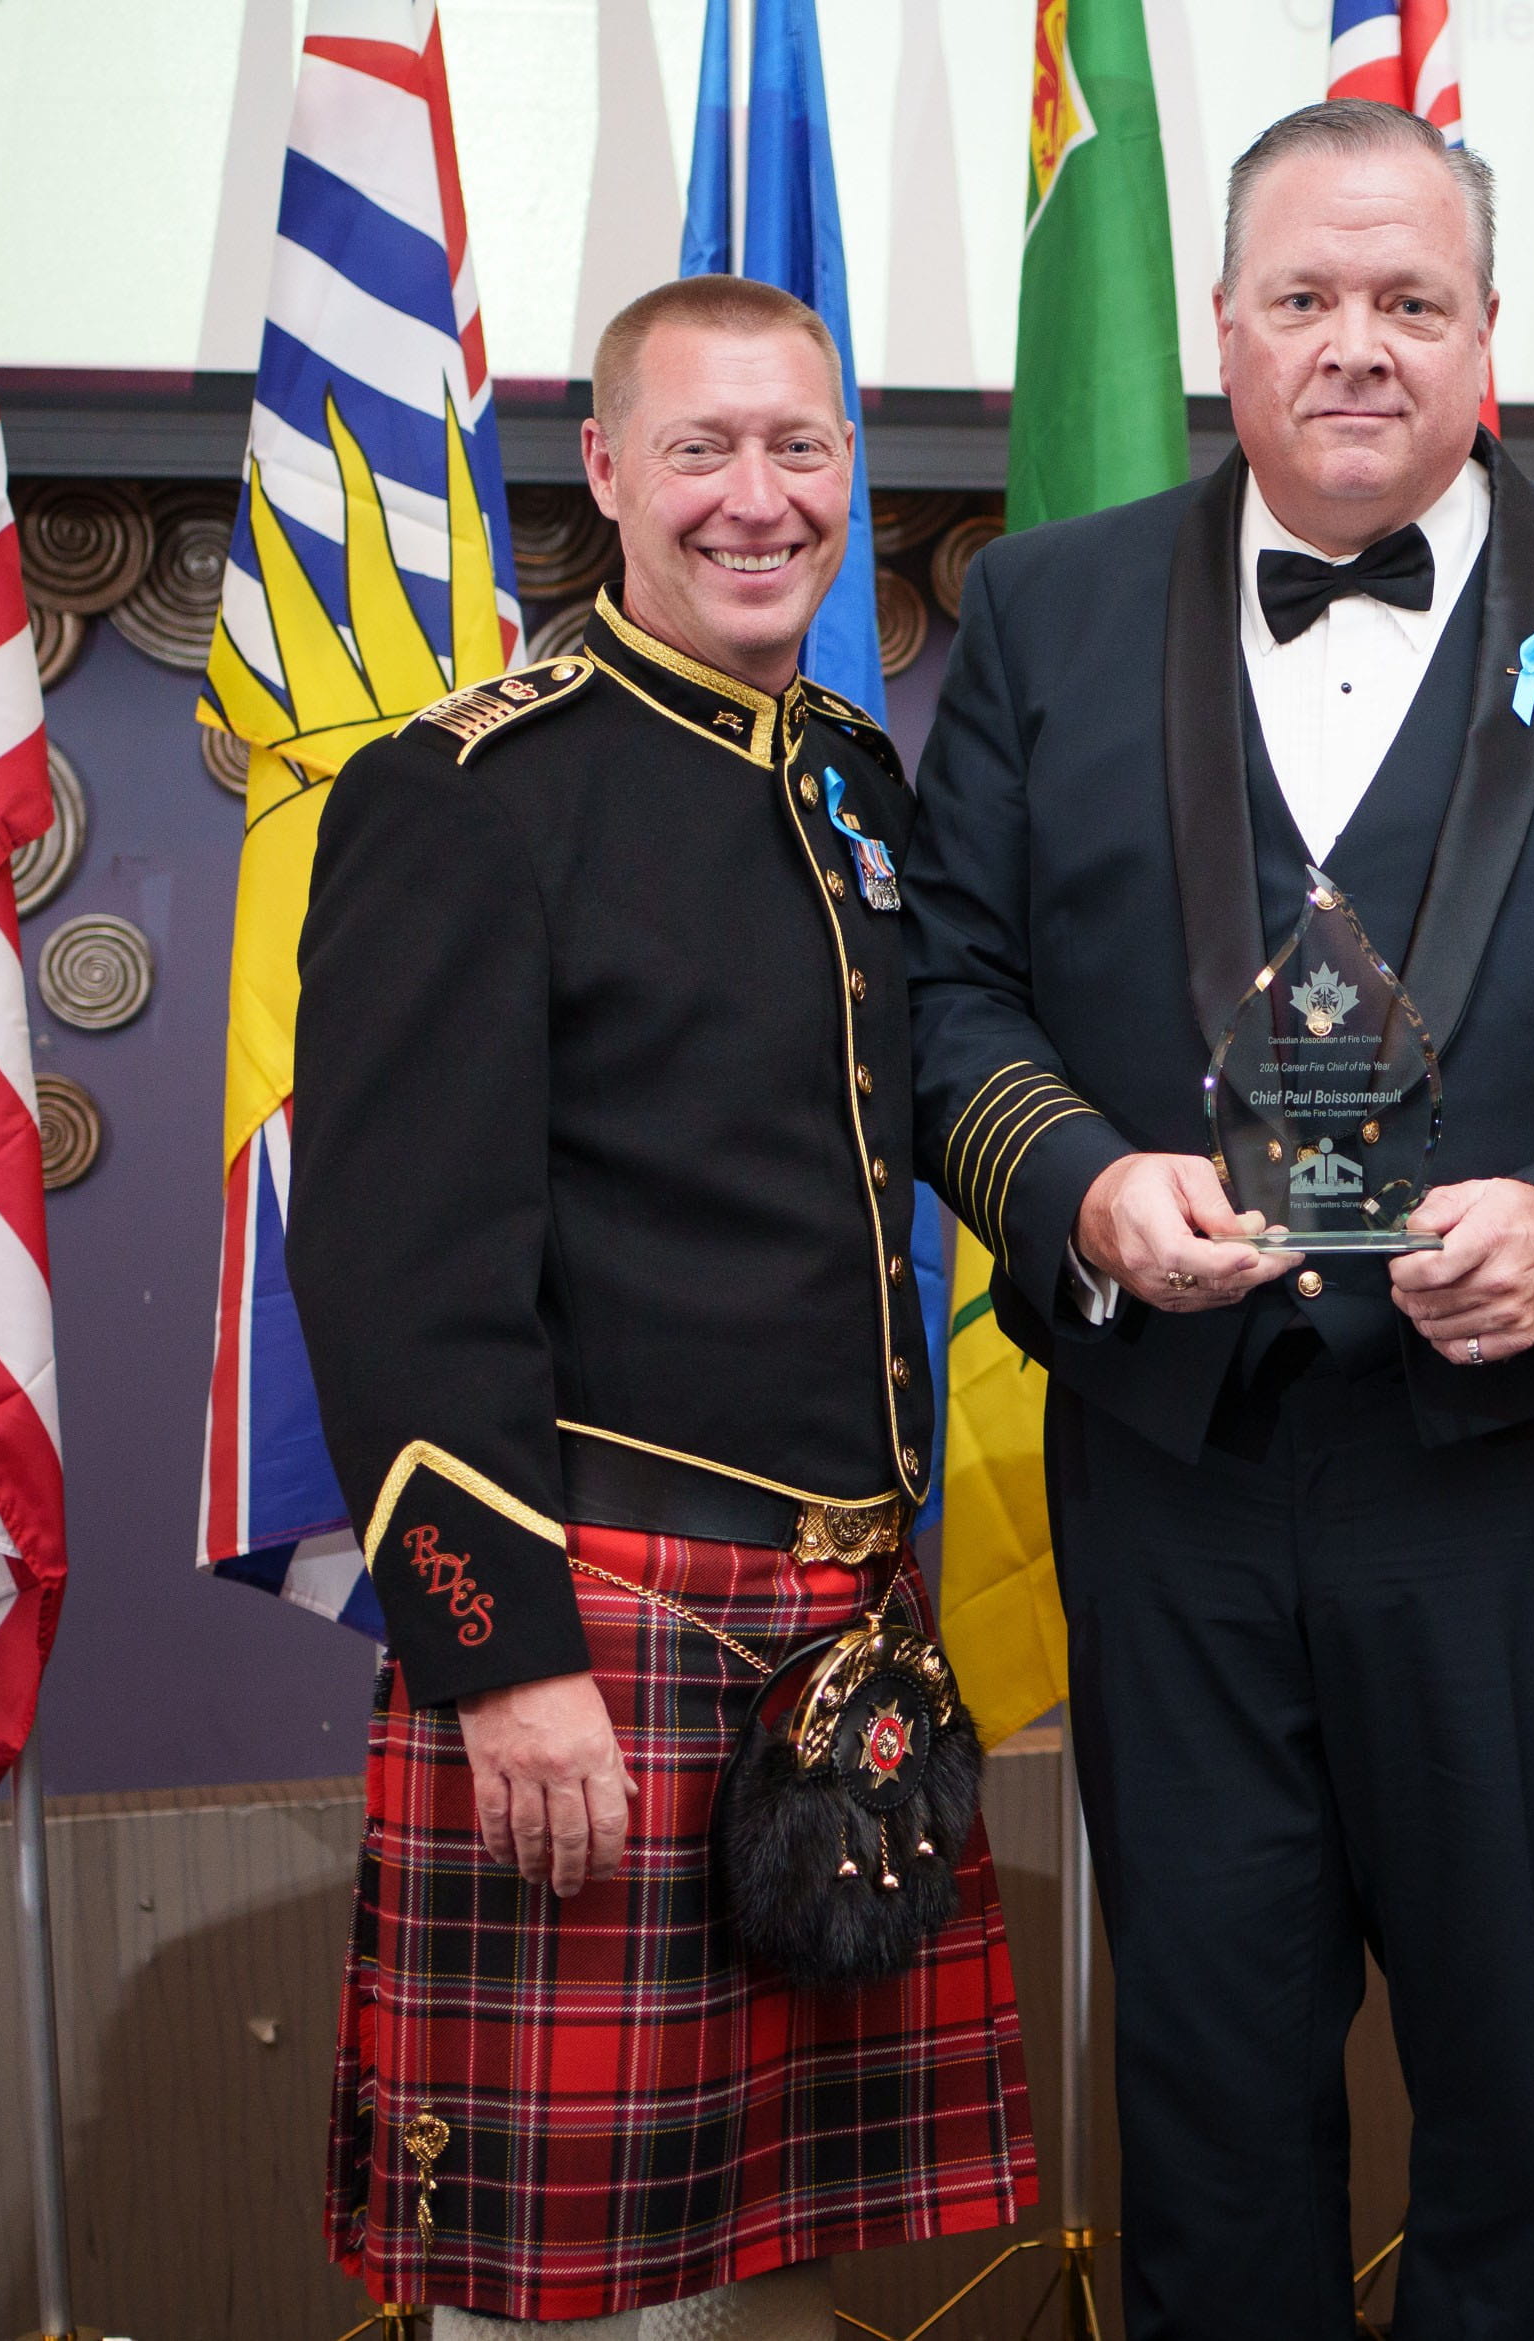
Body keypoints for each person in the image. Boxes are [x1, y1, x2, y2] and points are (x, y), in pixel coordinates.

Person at [903, 99, 1534, 2341]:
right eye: (1309, 297)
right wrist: (1081, 1184)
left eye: (1411, 300)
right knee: (1208, 2085)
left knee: (1519, 2085)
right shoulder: (1046, 605)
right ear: (1223, 327)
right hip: (1171, 1468)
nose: (1358, 342)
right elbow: (944, 992)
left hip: (1506, 1475)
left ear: (1488, 333)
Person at [287, 277, 1034, 2340]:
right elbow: (395, 1267)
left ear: (846, 470)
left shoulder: (854, 781)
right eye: (700, 449)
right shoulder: (465, 790)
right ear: (607, 471)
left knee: (772, 2264)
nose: (754, 497)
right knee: (565, 2295)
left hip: (839, 1627)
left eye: (796, 446)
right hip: (596, 1637)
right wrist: (498, 1657)